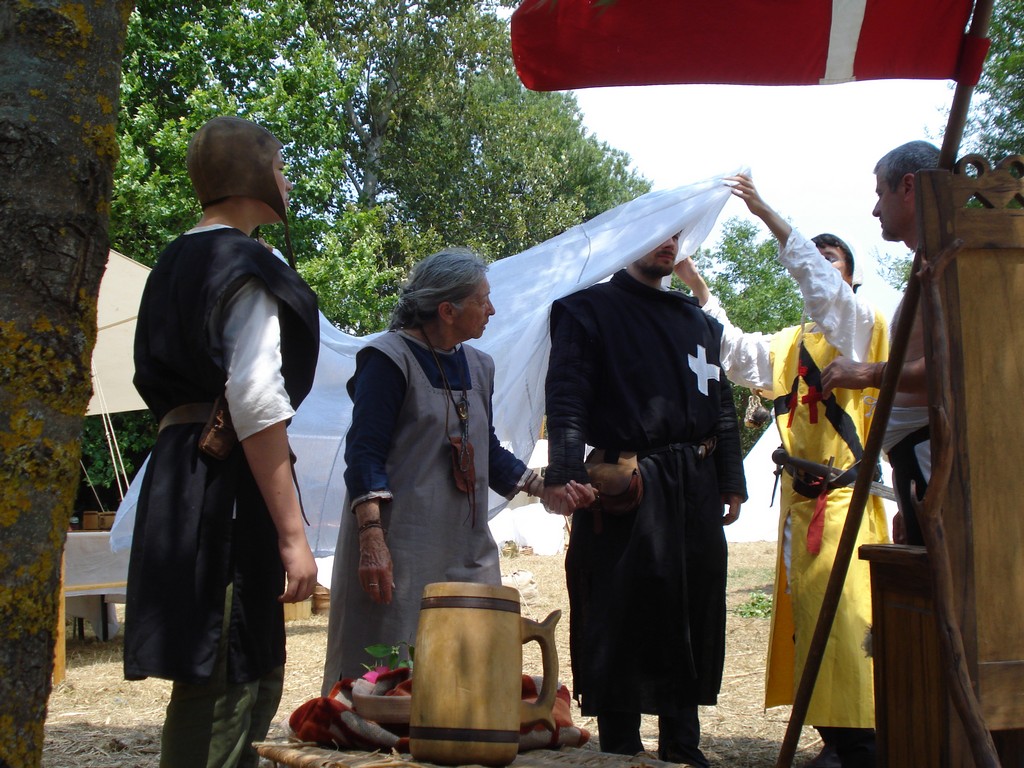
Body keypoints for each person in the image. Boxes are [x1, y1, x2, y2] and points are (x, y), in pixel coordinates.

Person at [675, 174, 890, 768]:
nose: (819, 264)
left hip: (844, 503)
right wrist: (696, 283)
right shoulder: (791, 344)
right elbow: (734, 350)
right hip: (801, 503)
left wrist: (768, 215)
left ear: (849, 277)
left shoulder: (862, 327)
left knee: (846, 620)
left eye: (831, 258)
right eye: (814, 256)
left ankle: (861, 745)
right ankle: (836, 738)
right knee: (811, 623)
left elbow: (823, 291)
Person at [126, 116, 321, 768]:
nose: (287, 181)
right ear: (254, 175)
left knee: (242, 665)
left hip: (183, 475)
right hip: (222, 485)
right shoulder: (242, 264)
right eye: (281, 167)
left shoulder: (171, 262)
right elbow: (256, 402)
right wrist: (293, 534)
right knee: (228, 674)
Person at [322, 248, 591, 691]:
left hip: (465, 544)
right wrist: (372, 538)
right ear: (447, 310)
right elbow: (365, 453)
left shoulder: (480, 366)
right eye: (482, 300)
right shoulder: (387, 359)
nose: (492, 309)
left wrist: (543, 488)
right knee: (390, 667)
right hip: (398, 544)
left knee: (471, 662)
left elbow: (484, 448)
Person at [543, 234, 747, 767]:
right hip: (628, 486)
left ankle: (682, 745)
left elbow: (721, 402)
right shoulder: (588, 310)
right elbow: (566, 397)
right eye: (658, 235)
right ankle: (621, 750)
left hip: (695, 487)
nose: (668, 245)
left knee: (691, 607)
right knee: (620, 613)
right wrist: (564, 474)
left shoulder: (697, 321)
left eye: (677, 237)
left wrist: (730, 477)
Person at [820, 141, 940, 545]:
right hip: (916, 459)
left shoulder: (948, 262)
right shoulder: (930, 259)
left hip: (933, 454)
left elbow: (949, 370)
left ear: (908, 187)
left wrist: (869, 372)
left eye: (879, 194)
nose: (875, 210)